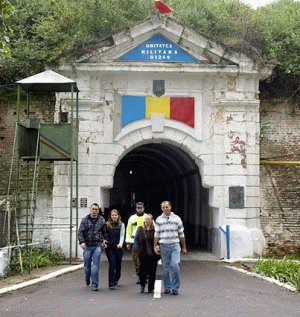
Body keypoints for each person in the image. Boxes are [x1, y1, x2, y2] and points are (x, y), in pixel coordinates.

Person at [154, 201, 187, 296]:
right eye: (163, 207)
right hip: (163, 245)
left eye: (166, 207)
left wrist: (184, 247)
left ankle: (175, 287)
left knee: (175, 264)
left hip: (175, 244)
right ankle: (167, 287)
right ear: (161, 209)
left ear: (170, 207)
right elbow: (157, 233)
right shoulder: (159, 219)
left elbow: (181, 233)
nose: (165, 209)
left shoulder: (177, 219)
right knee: (165, 267)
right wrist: (155, 245)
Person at [78, 203, 108, 291]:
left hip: (97, 245)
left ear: (98, 210)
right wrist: (82, 242)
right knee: (87, 265)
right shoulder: (85, 220)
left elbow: (105, 233)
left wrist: (105, 241)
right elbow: (80, 233)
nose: (94, 211)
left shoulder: (101, 220)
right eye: (93, 209)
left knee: (95, 265)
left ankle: (95, 284)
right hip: (87, 245)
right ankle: (87, 278)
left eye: (96, 209)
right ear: (90, 210)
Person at [134, 214, 159, 294]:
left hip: (152, 254)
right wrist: (137, 249)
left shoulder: (155, 230)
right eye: (146, 219)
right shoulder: (140, 229)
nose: (147, 221)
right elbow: (136, 240)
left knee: (152, 272)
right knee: (142, 271)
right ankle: (142, 285)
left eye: (149, 219)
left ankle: (151, 288)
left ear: (152, 220)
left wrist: (158, 247)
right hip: (143, 254)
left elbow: (159, 240)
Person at [126, 202, 149, 283]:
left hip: (146, 243)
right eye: (138, 208)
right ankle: (140, 276)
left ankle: (146, 275)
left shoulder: (148, 217)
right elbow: (128, 230)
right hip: (135, 243)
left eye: (141, 208)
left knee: (146, 260)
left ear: (143, 208)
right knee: (136, 260)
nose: (139, 209)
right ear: (136, 209)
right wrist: (128, 242)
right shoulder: (132, 218)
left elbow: (153, 228)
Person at [104, 209, 125, 290]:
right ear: (110, 216)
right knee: (112, 264)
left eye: (115, 215)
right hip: (110, 248)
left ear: (118, 216)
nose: (114, 216)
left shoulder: (121, 224)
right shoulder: (107, 224)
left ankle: (117, 277)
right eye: (112, 215)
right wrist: (105, 242)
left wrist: (120, 244)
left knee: (118, 265)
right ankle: (111, 283)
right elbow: (105, 234)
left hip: (118, 248)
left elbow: (122, 235)